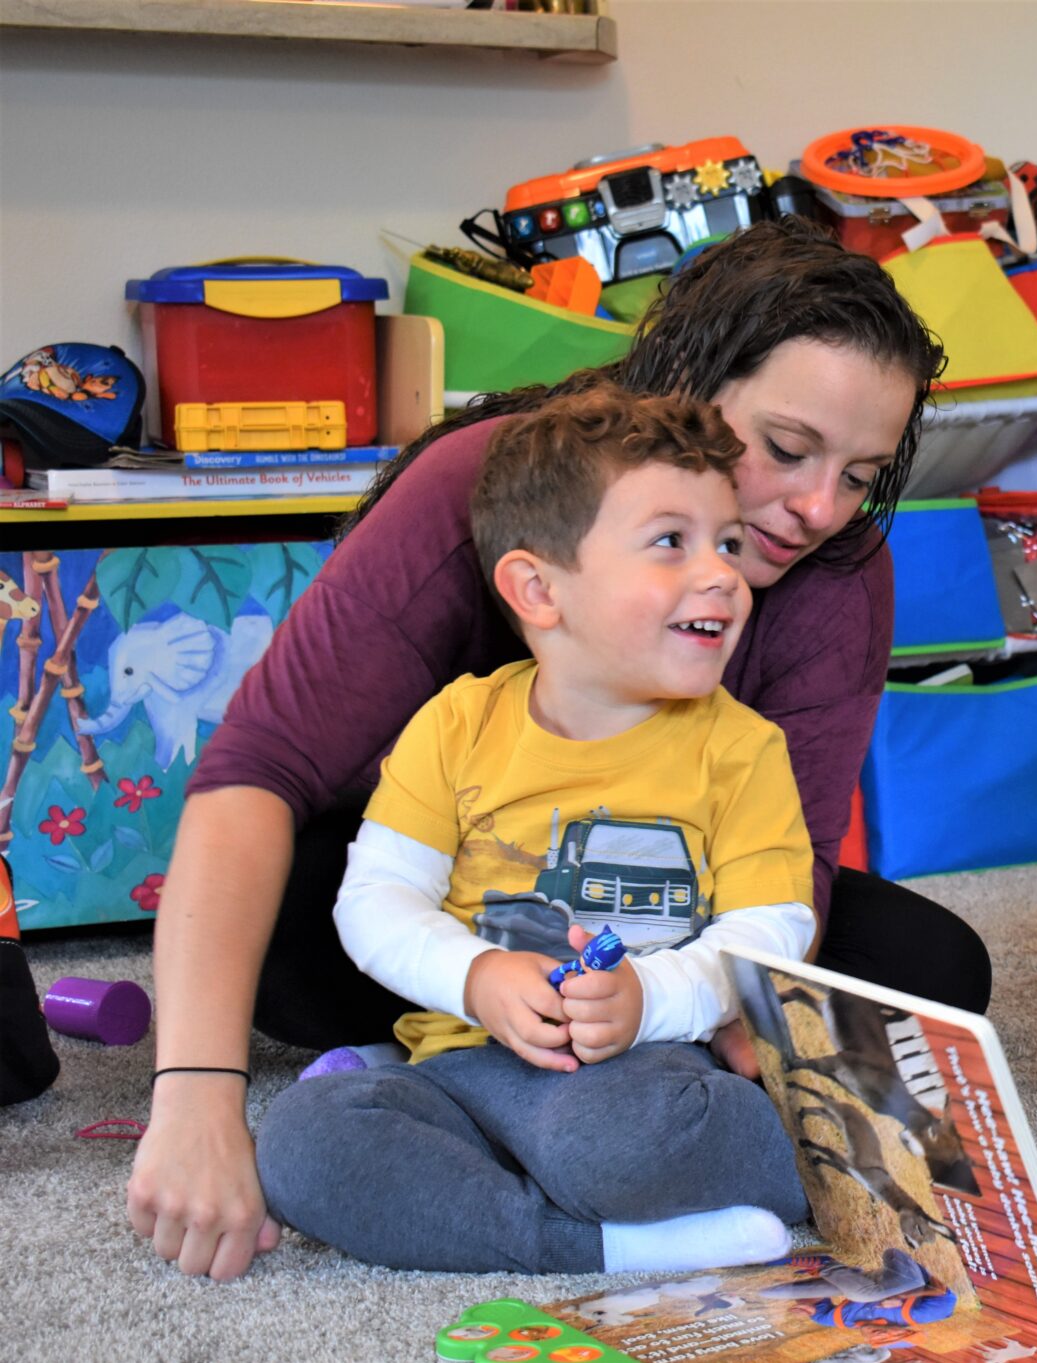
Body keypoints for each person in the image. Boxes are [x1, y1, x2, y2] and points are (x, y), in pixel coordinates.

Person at [129, 219, 991, 1281]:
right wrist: (198, 1096)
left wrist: (718, 1017)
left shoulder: (837, 573)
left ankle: (588, 1140)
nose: (817, 508)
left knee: (928, 974)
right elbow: (253, 775)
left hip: (670, 940)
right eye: (784, 448)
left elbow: (790, 865)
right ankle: (524, 1158)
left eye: (859, 474)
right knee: (288, 935)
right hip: (443, 915)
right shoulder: (474, 495)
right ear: (684, 385)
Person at [255, 386, 812, 1272]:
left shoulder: (741, 747)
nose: (723, 574)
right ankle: (594, 1245)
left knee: (625, 1144)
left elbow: (771, 933)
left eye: (728, 541)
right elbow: (377, 898)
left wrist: (647, 1003)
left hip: (643, 1076)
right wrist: (474, 975)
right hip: (462, 1065)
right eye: (673, 541)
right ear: (538, 588)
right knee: (301, 1139)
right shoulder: (458, 722)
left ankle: (619, 1196)